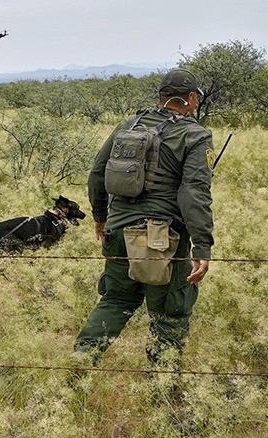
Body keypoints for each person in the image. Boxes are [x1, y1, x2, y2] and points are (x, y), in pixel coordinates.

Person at [74, 68, 215, 365]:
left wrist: (101, 218)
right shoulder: (195, 134)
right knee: (171, 312)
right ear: (191, 98)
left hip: (117, 232)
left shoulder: (129, 124)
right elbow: (194, 194)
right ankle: (161, 384)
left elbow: (97, 174)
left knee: (115, 300)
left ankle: (80, 362)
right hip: (162, 240)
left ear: (162, 96)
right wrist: (202, 246)